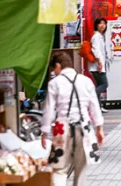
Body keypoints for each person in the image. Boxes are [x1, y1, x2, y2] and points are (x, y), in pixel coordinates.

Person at [41, 53, 104, 186]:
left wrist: (44, 132)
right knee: (80, 168)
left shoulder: (54, 83)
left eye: (54, 70)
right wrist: (99, 128)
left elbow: (49, 110)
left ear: (58, 65)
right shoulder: (86, 81)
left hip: (62, 128)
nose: (54, 73)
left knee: (59, 169)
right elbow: (94, 106)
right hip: (84, 128)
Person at [88, 18, 110, 113]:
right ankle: (90, 100)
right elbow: (95, 50)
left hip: (97, 65)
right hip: (97, 65)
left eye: (104, 24)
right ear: (96, 25)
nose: (102, 25)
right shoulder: (96, 36)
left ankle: (97, 107)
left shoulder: (100, 36)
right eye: (100, 23)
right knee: (104, 84)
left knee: (99, 85)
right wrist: (100, 63)